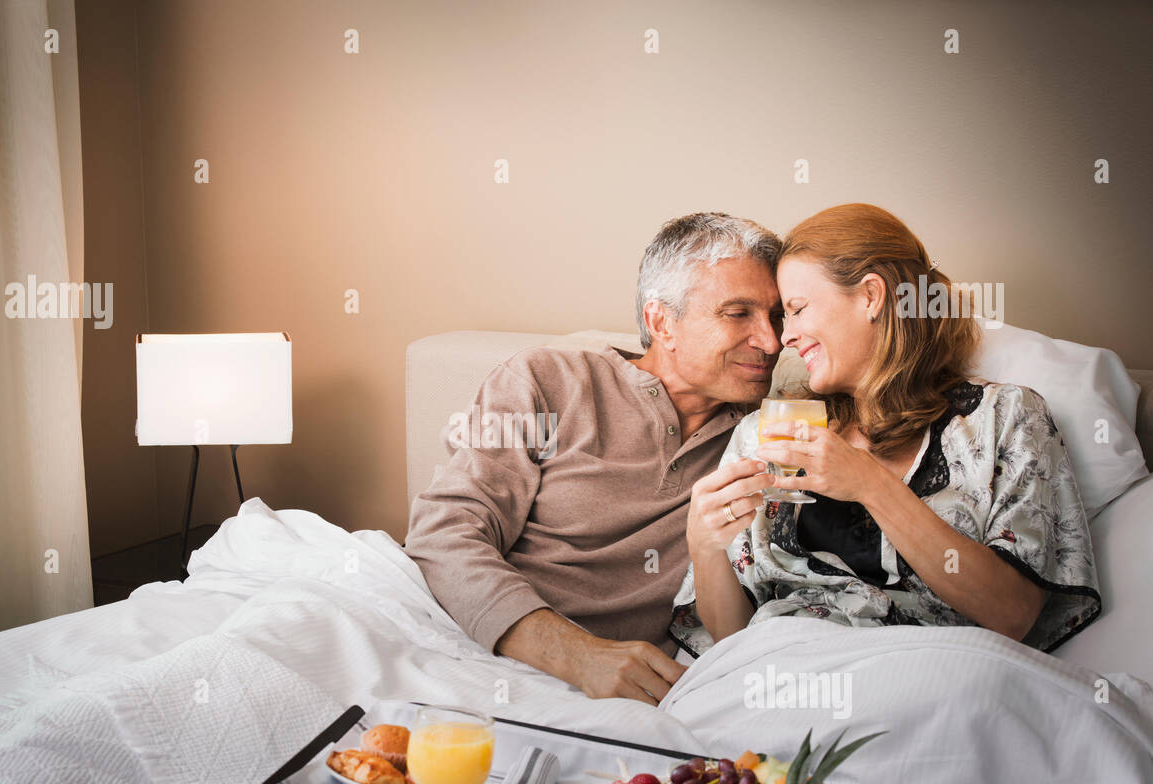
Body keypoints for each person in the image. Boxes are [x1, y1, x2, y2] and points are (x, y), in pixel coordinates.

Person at [673, 203, 1101, 655]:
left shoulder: (1004, 418)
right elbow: (730, 641)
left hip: (929, 673)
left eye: (797, 309)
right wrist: (703, 544)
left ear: (871, 296)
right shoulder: (765, 434)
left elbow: (1012, 615)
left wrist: (869, 484)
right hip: (778, 673)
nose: (785, 338)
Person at [405, 212, 784, 704]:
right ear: (661, 322)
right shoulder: (545, 380)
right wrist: (578, 655)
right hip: (483, 644)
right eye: (738, 314)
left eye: (778, 317)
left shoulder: (771, 434)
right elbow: (443, 533)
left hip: (633, 690)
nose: (771, 342)